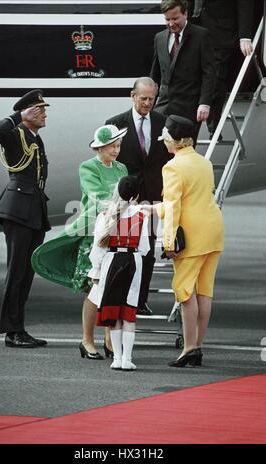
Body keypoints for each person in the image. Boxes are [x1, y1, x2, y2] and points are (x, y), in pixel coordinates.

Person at [32, 125, 128, 359]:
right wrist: (121, 206)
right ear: (100, 147)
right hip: (93, 231)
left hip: (117, 230)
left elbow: (127, 193)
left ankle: (109, 339)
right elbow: (97, 196)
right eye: (112, 147)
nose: (116, 150)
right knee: (94, 289)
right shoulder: (88, 167)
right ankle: (87, 340)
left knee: (113, 287)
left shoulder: (121, 167)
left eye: (118, 146)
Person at [155, 114, 224, 367]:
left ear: (174, 142)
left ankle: (189, 348)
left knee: (185, 291)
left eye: (165, 139)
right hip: (213, 230)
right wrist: (155, 209)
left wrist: (169, 241)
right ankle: (198, 346)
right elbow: (195, 197)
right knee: (204, 291)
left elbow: (174, 206)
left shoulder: (172, 167)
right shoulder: (204, 163)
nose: (164, 143)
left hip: (191, 235)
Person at [0, 89, 50, 348]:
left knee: (26, 273)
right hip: (18, 210)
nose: (45, 114)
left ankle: (19, 329)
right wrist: (18, 116)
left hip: (32, 209)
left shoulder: (34, 136)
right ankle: (12, 332)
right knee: (16, 273)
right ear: (29, 113)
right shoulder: (16, 135)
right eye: (40, 109)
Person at [105, 76, 170, 315]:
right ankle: (121, 297)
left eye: (151, 99)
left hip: (153, 197)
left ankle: (140, 299)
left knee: (148, 250)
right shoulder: (115, 124)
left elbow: (167, 159)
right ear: (133, 96)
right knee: (123, 250)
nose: (147, 103)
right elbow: (108, 161)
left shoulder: (163, 122)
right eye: (143, 98)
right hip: (126, 199)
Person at [88, 176, 150, 370]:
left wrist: (96, 271)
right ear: (136, 196)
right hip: (133, 263)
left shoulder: (106, 215)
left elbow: (97, 249)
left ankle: (116, 358)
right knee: (128, 313)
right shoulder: (141, 216)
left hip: (110, 262)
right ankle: (127, 359)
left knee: (113, 312)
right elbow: (145, 248)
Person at [150, 0, 216, 145]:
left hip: (189, 106)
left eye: (175, 18)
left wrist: (204, 103)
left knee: (185, 150)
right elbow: (155, 74)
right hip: (164, 105)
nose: (171, 23)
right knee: (159, 149)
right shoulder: (159, 38)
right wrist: (149, 101)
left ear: (185, 13)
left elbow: (209, 72)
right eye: (167, 19)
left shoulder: (201, 35)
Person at [187, 0, 254, 138]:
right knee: (193, 74)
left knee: (216, 77)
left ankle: (213, 126)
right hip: (195, 25)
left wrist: (245, 35)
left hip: (221, 30)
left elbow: (245, 3)